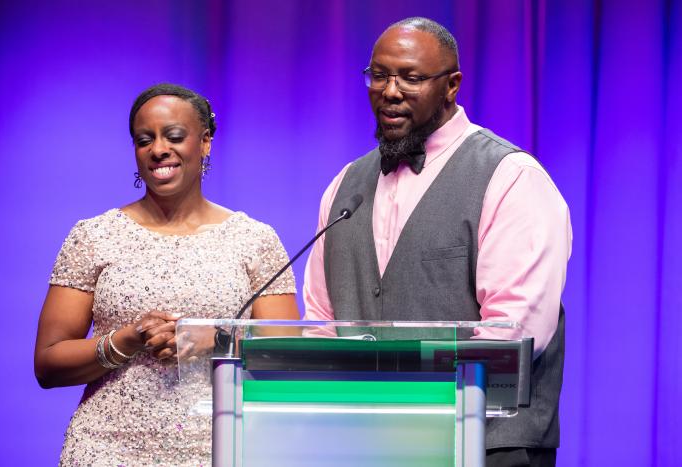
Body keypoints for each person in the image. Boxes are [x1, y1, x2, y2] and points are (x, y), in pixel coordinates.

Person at [303, 17, 571, 467]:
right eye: (379, 75)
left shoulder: (510, 178)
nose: (390, 91)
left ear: (452, 85)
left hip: (486, 444)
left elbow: (515, 332)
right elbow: (321, 322)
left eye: (411, 77)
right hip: (367, 443)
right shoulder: (345, 186)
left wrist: (410, 389)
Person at [34, 83, 299, 465]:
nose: (159, 149)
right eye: (145, 140)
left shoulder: (254, 239)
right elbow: (48, 363)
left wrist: (214, 338)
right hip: (106, 449)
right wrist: (126, 339)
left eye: (174, 136)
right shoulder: (93, 236)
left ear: (205, 142)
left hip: (222, 447)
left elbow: (287, 351)